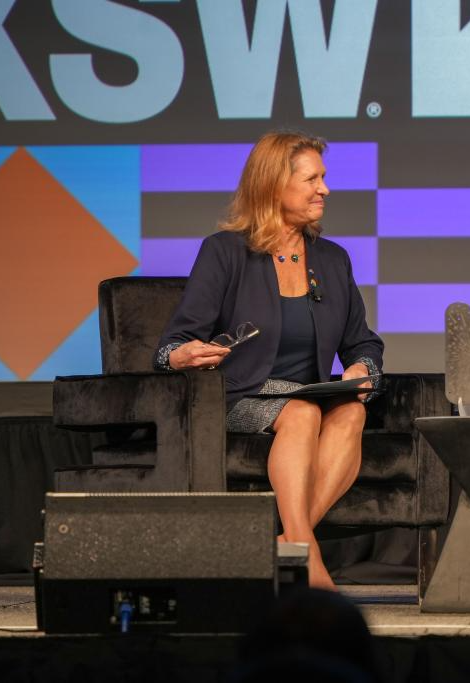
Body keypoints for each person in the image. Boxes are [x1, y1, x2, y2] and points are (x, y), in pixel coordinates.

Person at [153, 131, 383, 590]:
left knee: (352, 412)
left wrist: (361, 369)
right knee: (300, 413)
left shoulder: (332, 260)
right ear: (274, 185)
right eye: (312, 179)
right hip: (242, 393)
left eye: (323, 178)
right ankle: (307, 558)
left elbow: (362, 342)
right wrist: (183, 355)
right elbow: (171, 345)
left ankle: (289, 541)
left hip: (310, 393)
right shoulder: (224, 252)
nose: (325, 189)